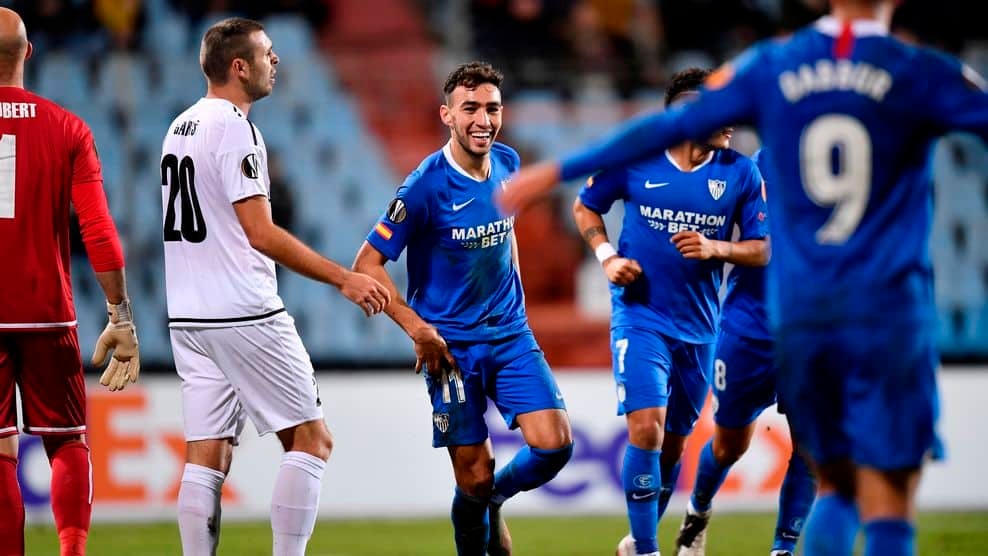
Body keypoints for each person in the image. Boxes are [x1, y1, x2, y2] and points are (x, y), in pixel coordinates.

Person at [499, 1, 988, 554]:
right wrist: (606, 249)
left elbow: (663, 133)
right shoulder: (920, 70)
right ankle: (656, 542)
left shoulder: (773, 69)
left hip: (800, 310)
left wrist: (555, 170)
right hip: (886, 307)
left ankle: (755, 542)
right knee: (880, 490)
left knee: (824, 474)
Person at [161, 17, 390, 556]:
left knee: (206, 456)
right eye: (268, 53)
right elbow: (259, 233)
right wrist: (343, 278)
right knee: (312, 439)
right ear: (239, 66)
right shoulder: (236, 128)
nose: (276, 61)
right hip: (243, 308)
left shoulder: (179, 127)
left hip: (189, 316)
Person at [352, 61, 574, 556]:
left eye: (491, 108)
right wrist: (418, 329)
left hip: (511, 335)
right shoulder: (425, 187)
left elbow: (506, 231)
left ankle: (494, 500)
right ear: (446, 115)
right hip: (451, 347)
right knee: (472, 477)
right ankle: (482, 507)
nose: (483, 119)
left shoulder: (510, 164)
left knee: (555, 445)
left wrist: (514, 296)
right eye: (470, 108)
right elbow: (367, 264)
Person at [571, 68, 769, 556]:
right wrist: (608, 257)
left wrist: (715, 247)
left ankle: (634, 545)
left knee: (674, 447)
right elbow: (585, 207)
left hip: (702, 329)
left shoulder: (740, 172)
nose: (730, 121)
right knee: (647, 426)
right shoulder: (636, 158)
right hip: (641, 316)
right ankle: (646, 548)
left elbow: (763, 250)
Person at [0, 7, 140, 556]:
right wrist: (120, 316)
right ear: (28, 54)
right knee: (66, 441)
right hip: (47, 313)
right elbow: (100, 231)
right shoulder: (68, 128)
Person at [672, 149, 816, 556]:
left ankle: (783, 548)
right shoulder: (758, 166)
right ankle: (697, 512)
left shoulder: (847, 159)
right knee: (730, 444)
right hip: (749, 329)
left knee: (811, 445)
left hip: (810, 331)